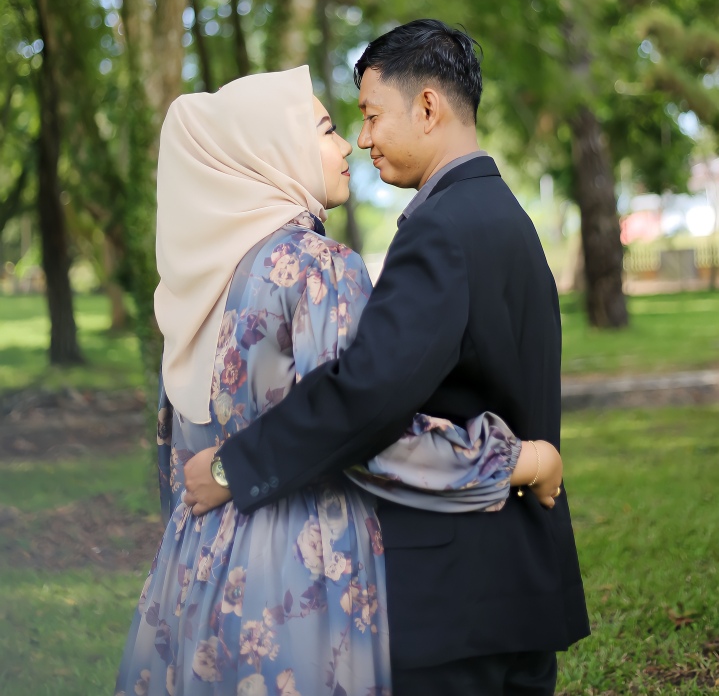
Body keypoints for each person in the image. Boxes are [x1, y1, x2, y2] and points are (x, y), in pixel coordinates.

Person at [115, 65, 564, 696]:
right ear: (274, 151)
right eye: (327, 130)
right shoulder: (317, 267)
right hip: (295, 571)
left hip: (195, 572)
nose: (349, 144)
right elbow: (369, 432)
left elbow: (180, 464)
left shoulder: (197, 289)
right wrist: (519, 459)